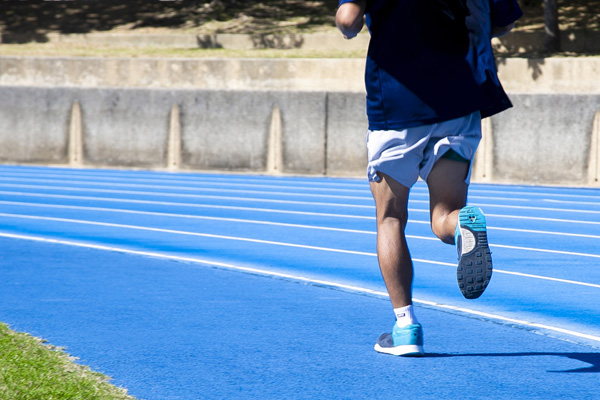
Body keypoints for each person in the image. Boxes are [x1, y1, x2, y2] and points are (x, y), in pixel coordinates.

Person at [335, 0, 523, 356]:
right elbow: (504, 23)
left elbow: (348, 20)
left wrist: (352, 23)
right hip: (458, 100)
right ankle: (460, 227)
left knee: (390, 218)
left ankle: (405, 328)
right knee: (444, 217)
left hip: (396, 106)